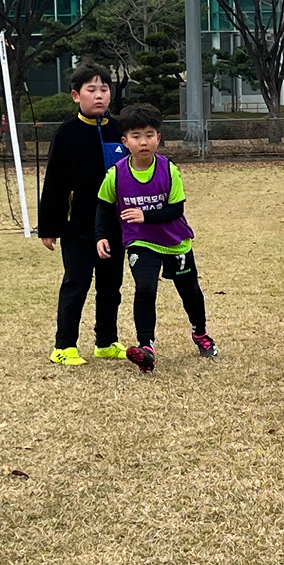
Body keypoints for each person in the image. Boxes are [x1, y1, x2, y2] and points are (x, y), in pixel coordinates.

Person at [95, 105, 216, 373]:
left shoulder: (168, 169)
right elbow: (103, 205)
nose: (143, 142)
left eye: (149, 135)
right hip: (140, 241)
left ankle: (200, 333)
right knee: (145, 287)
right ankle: (146, 348)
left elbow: (176, 210)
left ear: (158, 138)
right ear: (125, 141)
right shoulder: (115, 174)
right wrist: (101, 236)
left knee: (190, 292)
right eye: (136, 136)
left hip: (175, 241)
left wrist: (145, 215)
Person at [37, 64, 128, 366]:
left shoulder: (120, 131)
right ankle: (64, 346)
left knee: (110, 286)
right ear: (76, 96)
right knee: (76, 284)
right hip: (77, 226)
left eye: (104, 89)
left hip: (114, 226)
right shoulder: (66, 134)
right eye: (91, 90)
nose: (99, 95)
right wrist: (48, 227)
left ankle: (106, 341)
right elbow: (54, 183)